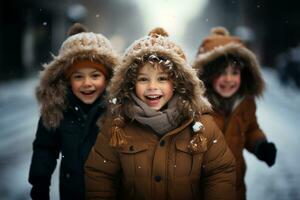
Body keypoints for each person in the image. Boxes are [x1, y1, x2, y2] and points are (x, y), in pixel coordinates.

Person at [84, 27, 236, 200]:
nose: (152, 87)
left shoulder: (201, 125)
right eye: (143, 79)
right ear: (130, 83)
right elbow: (100, 174)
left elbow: (220, 172)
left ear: (178, 82)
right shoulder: (118, 125)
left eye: (162, 78)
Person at [28, 23, 119, 200]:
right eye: (78, 76)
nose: (87, 83)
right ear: (67, 80)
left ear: (108, 78)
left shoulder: (117, 110)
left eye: (95, 75)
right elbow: (44, 149)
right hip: (72, 192)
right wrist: (40, 185)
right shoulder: (58, 110)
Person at [192, 26, 277, 200]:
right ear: (207, 76)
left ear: (243, 75)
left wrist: (260, 145)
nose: (229, 79)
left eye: (235, 72)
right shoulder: (196, 106)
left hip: (235, 186)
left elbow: (250, 128)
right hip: (200, 188)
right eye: (222, 73)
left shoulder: (245, 102)